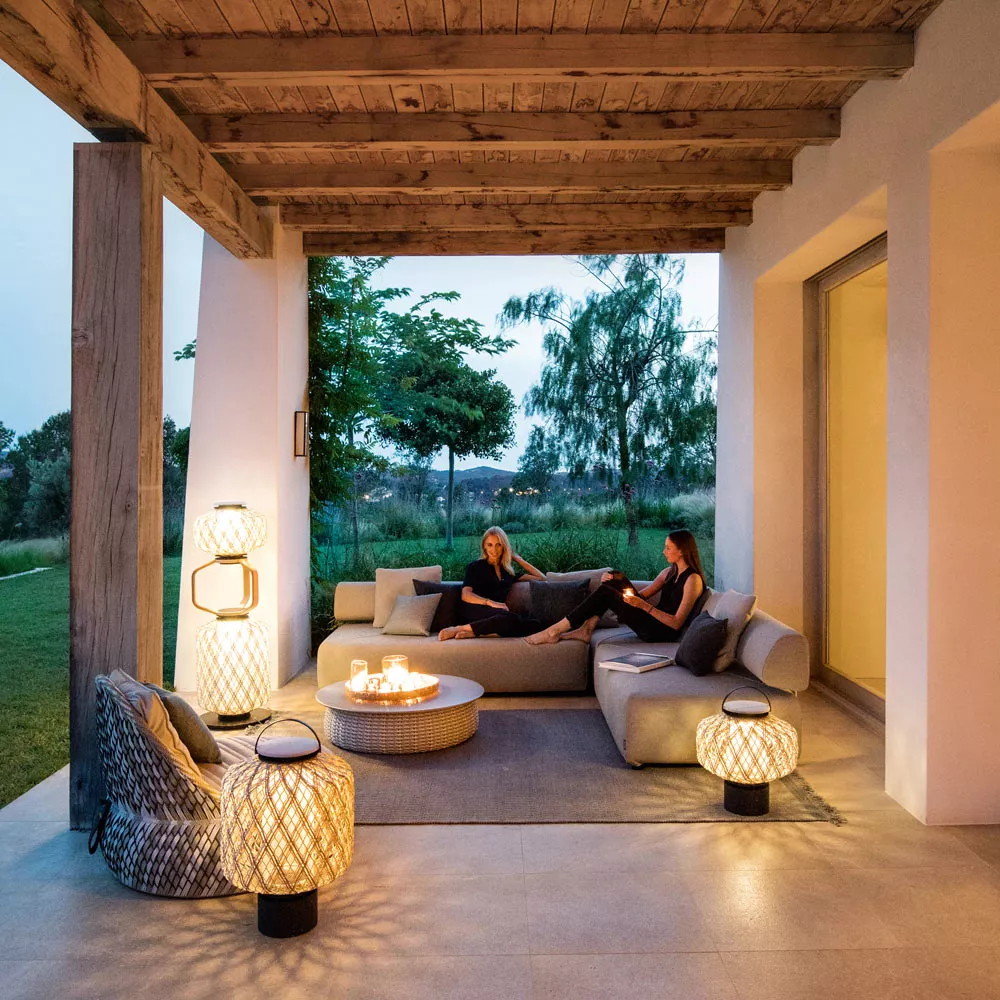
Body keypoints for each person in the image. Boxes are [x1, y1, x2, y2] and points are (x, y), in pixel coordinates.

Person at [525, 529, 706, 645]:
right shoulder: (668, 572)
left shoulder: (693, 580)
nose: (663, 551)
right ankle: (585, 629)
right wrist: (616, 583)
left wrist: (642, 606)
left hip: (660, 632)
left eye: (668, 548)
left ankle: (556, 629)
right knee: (614, 577)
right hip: (650, 620)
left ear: (682, 551)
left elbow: (676, 623)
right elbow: (641, 596)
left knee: (607, 592)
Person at [439, 526, 546, 640]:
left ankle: (478, 633)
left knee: (537, 624)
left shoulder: (508, 573)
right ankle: (460, 629)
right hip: (474, 611)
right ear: (484, 546)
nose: (494, 550)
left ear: (504, 546)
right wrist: (491, 603)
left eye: (498, 544)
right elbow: (466, 595)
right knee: (511, 619)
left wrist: (517, 559)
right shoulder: (475, 567)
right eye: (490, 544)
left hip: (497, 616)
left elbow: (541, 578)